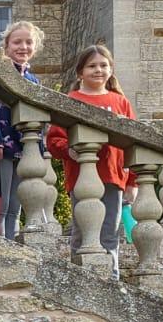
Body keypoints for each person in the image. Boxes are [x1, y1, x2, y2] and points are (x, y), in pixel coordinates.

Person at [45, 43, 136, 275]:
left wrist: (132, 181)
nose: (98, 70)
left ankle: (111, 278)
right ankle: (80, 277)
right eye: (92, 66)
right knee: (82, 230)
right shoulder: (71, 100)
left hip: (113, 176)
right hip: (82, 178)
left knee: (110, 231)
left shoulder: (120, 102)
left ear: (111, 70)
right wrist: (69, 150)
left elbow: (135, 144)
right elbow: (54, 139)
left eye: (103, 65)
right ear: (80, 72)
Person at [0, 19, 45, 240]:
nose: (23, 47)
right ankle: (0, 241)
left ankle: (12, 240)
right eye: (17, 42)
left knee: (17, 200)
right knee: (1, 200)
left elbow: (40, 117)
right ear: (6, 46)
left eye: (28, 42)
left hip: (24, 148)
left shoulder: (33, 80)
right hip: (2, 146)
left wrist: (39, 148)